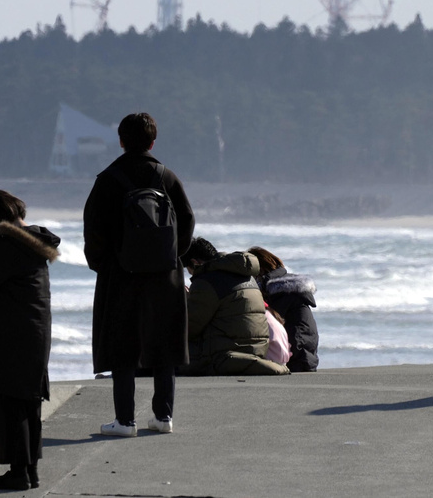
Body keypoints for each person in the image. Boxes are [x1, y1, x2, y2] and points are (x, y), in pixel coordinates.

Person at [84, 112, 195, 437]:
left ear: (121, 140)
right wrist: (173, 256)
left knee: (122, 345)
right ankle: (163, 417)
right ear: (152, 141)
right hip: (165, 274)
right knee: (164, 342)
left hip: (121, 274)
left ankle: (125, 421)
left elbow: (93, 230)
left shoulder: (108, 179)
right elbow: (187, 221)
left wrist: (104, 264)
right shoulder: (167, 177)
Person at [0, 191, 58, 490]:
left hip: (13, 335)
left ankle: (19, 474)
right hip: (36, 331)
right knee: (29, 402)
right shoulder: (33, 243)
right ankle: (29, 471)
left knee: (11, 403)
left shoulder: (7, 243)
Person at [178, 238, 290, 376]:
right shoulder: (246, 276)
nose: (191, 276)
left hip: (224, 356)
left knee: (171, 352)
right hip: (257, 351)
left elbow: (190, 328)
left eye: (189, 271)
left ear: (195, 263)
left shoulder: (207, 280)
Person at [249, 246, 320, 372]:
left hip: (296, 360)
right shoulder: (287, 287)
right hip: (306, 357)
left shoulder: (280, 292)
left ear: (260, 269)